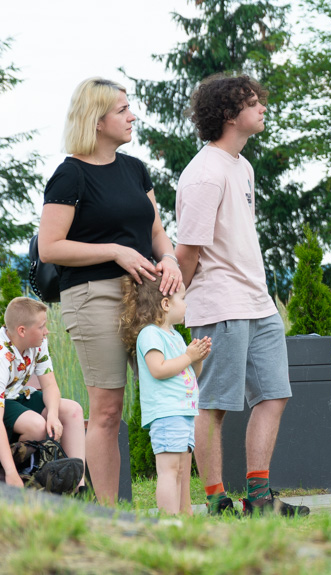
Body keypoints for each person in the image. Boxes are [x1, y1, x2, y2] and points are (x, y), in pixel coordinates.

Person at [38, 77, 182, 504]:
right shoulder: (70, 175)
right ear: (96, 121)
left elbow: (156, 230)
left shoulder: (136, 169)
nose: (132, 115)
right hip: (92, 296)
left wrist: (170, 259)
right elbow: (50, 247)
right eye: (122, 110)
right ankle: (112, 512)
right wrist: (115, 251)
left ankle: (176, 503)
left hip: (146, 297)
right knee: (106, 412)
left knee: (170, 396)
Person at [175, 74, 308, 517]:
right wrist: (182, 304)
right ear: (230, 114)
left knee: (274, 394)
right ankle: (215, 499)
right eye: (254, 103)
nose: (263, 108)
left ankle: (259, 498)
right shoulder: (203, 174)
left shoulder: (242, 166)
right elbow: (187, 251)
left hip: (258, 302)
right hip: (219, 305)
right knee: (214, 406)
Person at [119, 277, 210, 515]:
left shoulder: (175, 336)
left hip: (183, 411)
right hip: (167, 412)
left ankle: (184, 515)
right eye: (183, 298)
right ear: (166, 304)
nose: (186, 304)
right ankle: (169, 520)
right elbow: (158, 369)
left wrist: (196, 359)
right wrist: (188, 357)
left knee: (182, 470)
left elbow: (190, 372)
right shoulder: (150, 334)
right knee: (170, 470)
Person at [0, 298, 86, 491]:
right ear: (22, 330)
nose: (47, 331)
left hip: (20, 396)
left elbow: (49, 386)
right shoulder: (1, 355)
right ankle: (20, 474)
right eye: (42, 326)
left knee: (73, 410)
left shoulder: (39, 342)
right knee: (37, 425)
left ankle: (79, 488)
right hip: (4, 402)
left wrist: (53, 415)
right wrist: (10, 471)